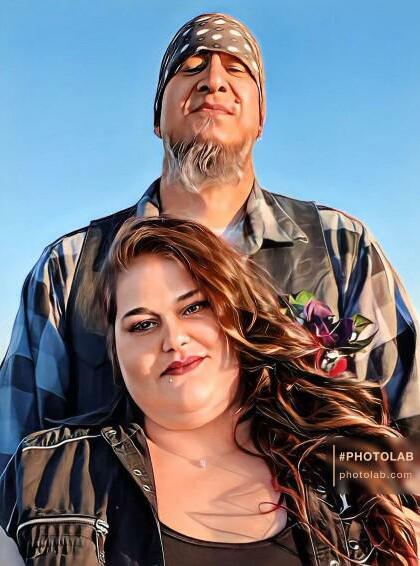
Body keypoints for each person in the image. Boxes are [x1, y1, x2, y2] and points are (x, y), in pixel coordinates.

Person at [1, 12, 419, 474]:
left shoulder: (342, 249)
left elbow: (409, 432)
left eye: (236, 69)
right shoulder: (70, 269)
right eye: (190, 67)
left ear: (261, 118)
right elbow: (15, 457)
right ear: (157, 117)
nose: (213, 80)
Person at [0, 216, 418, 566]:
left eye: (194, 307)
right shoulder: (45, 474)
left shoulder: (349, 471)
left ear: (238, 318)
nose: (174, 339)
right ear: (116, 352)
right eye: (142, 324)